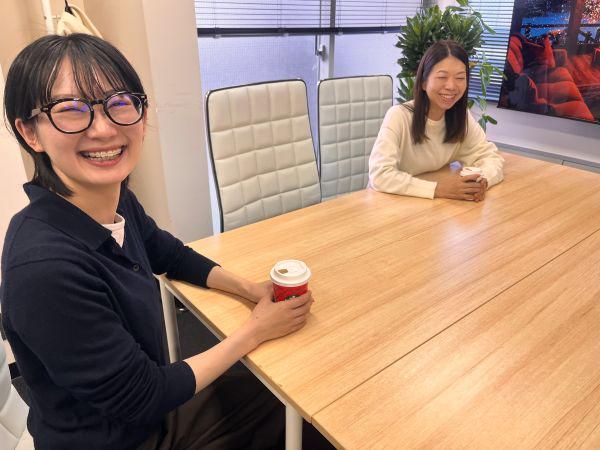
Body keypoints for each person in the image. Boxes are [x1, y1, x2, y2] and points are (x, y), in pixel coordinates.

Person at [1, 33, 314, 449]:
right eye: (71, 110)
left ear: (142, 114)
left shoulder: (114, 201)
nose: (103, 128)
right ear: (30, 133)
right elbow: (143, 395)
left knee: (293, 398)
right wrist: (255, 331)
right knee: (302, 423)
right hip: (120, 438)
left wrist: (250, 289)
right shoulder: (44, 268)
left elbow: (170, 254)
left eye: (119, 103)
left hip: (149, 413)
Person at [369, 40, 504, 202]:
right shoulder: (399, 116)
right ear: (423, 82)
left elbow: (490, 157)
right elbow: (380, 175)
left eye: (460, 78)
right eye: (442, 77)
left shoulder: (461, 117)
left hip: (431, 204)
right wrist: (438, 189)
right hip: (389, 201)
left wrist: (481, 182)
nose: (451, 86)